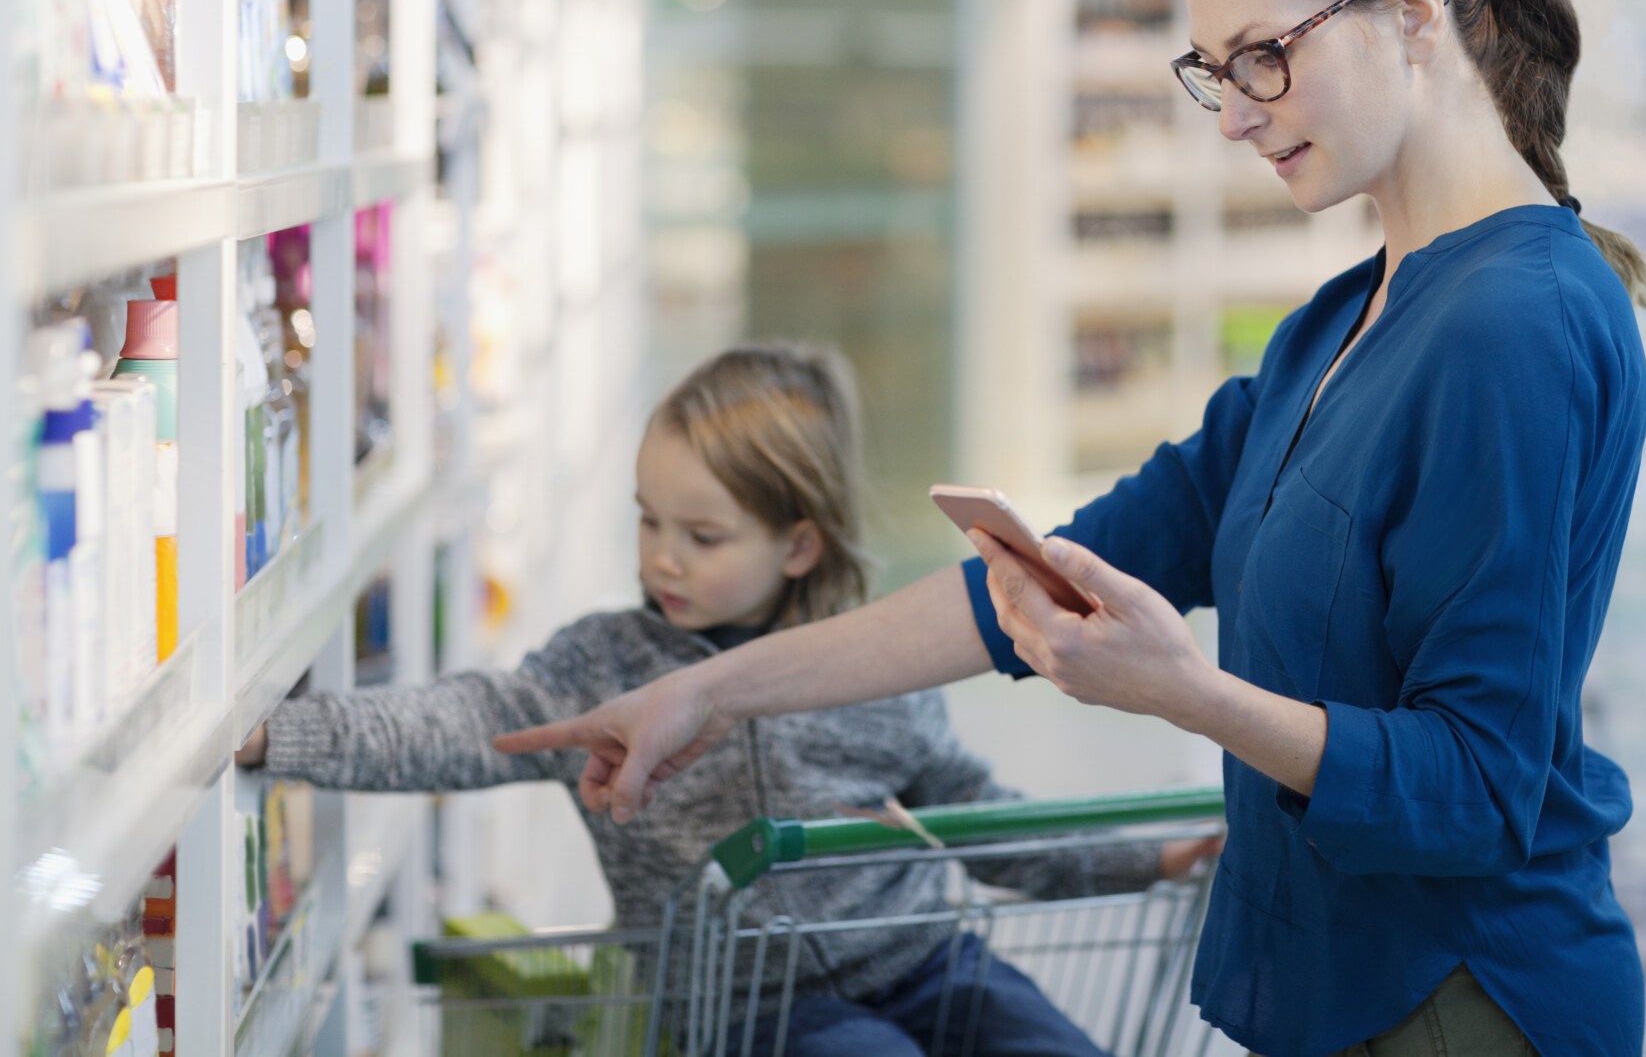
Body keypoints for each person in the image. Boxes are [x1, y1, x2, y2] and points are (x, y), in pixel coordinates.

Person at [499, 0, 1646, 1057]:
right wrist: (704, 692)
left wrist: (1186, 694)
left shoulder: (1516, 324)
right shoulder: (1341, 319)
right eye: (1213, 67)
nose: (1233, 112)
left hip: (1464, 996)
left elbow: (1477, 787)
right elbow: (1032, 582)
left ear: (1416, 11)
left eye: (1264, 52)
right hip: (1349, 982)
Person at [237, 343, 1214, 1056]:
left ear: (797, 544)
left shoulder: (871, 668)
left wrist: (1144, 856)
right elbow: (462, 720)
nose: (661, 553)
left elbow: (972, 815)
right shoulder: (603, 663)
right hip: (745, 1010)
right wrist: (281, 733)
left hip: (924, 960)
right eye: (648, 520)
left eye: (701, 535)